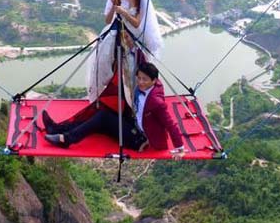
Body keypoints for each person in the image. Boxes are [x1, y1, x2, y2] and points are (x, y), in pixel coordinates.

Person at [44, 62, 186, 158]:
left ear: (154, 81)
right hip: (134, 125)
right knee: (99, 118)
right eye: (139, 78)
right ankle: (56, 128)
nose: (141, 82)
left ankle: (66, 139)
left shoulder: (156, 102)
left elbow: (170, 124)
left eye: (145, 80)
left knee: (103, 117)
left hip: (139, 140)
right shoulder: (145, 87)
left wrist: (179, 148)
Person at [87, 0, 164, 104]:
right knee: (104, 60)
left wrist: (123, 11)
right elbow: (108, 20)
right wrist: (114, 5)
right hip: (116, 31)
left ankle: (133, 102)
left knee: (132, 69)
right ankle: (106, 97)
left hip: (133, 36)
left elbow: (136, 23)